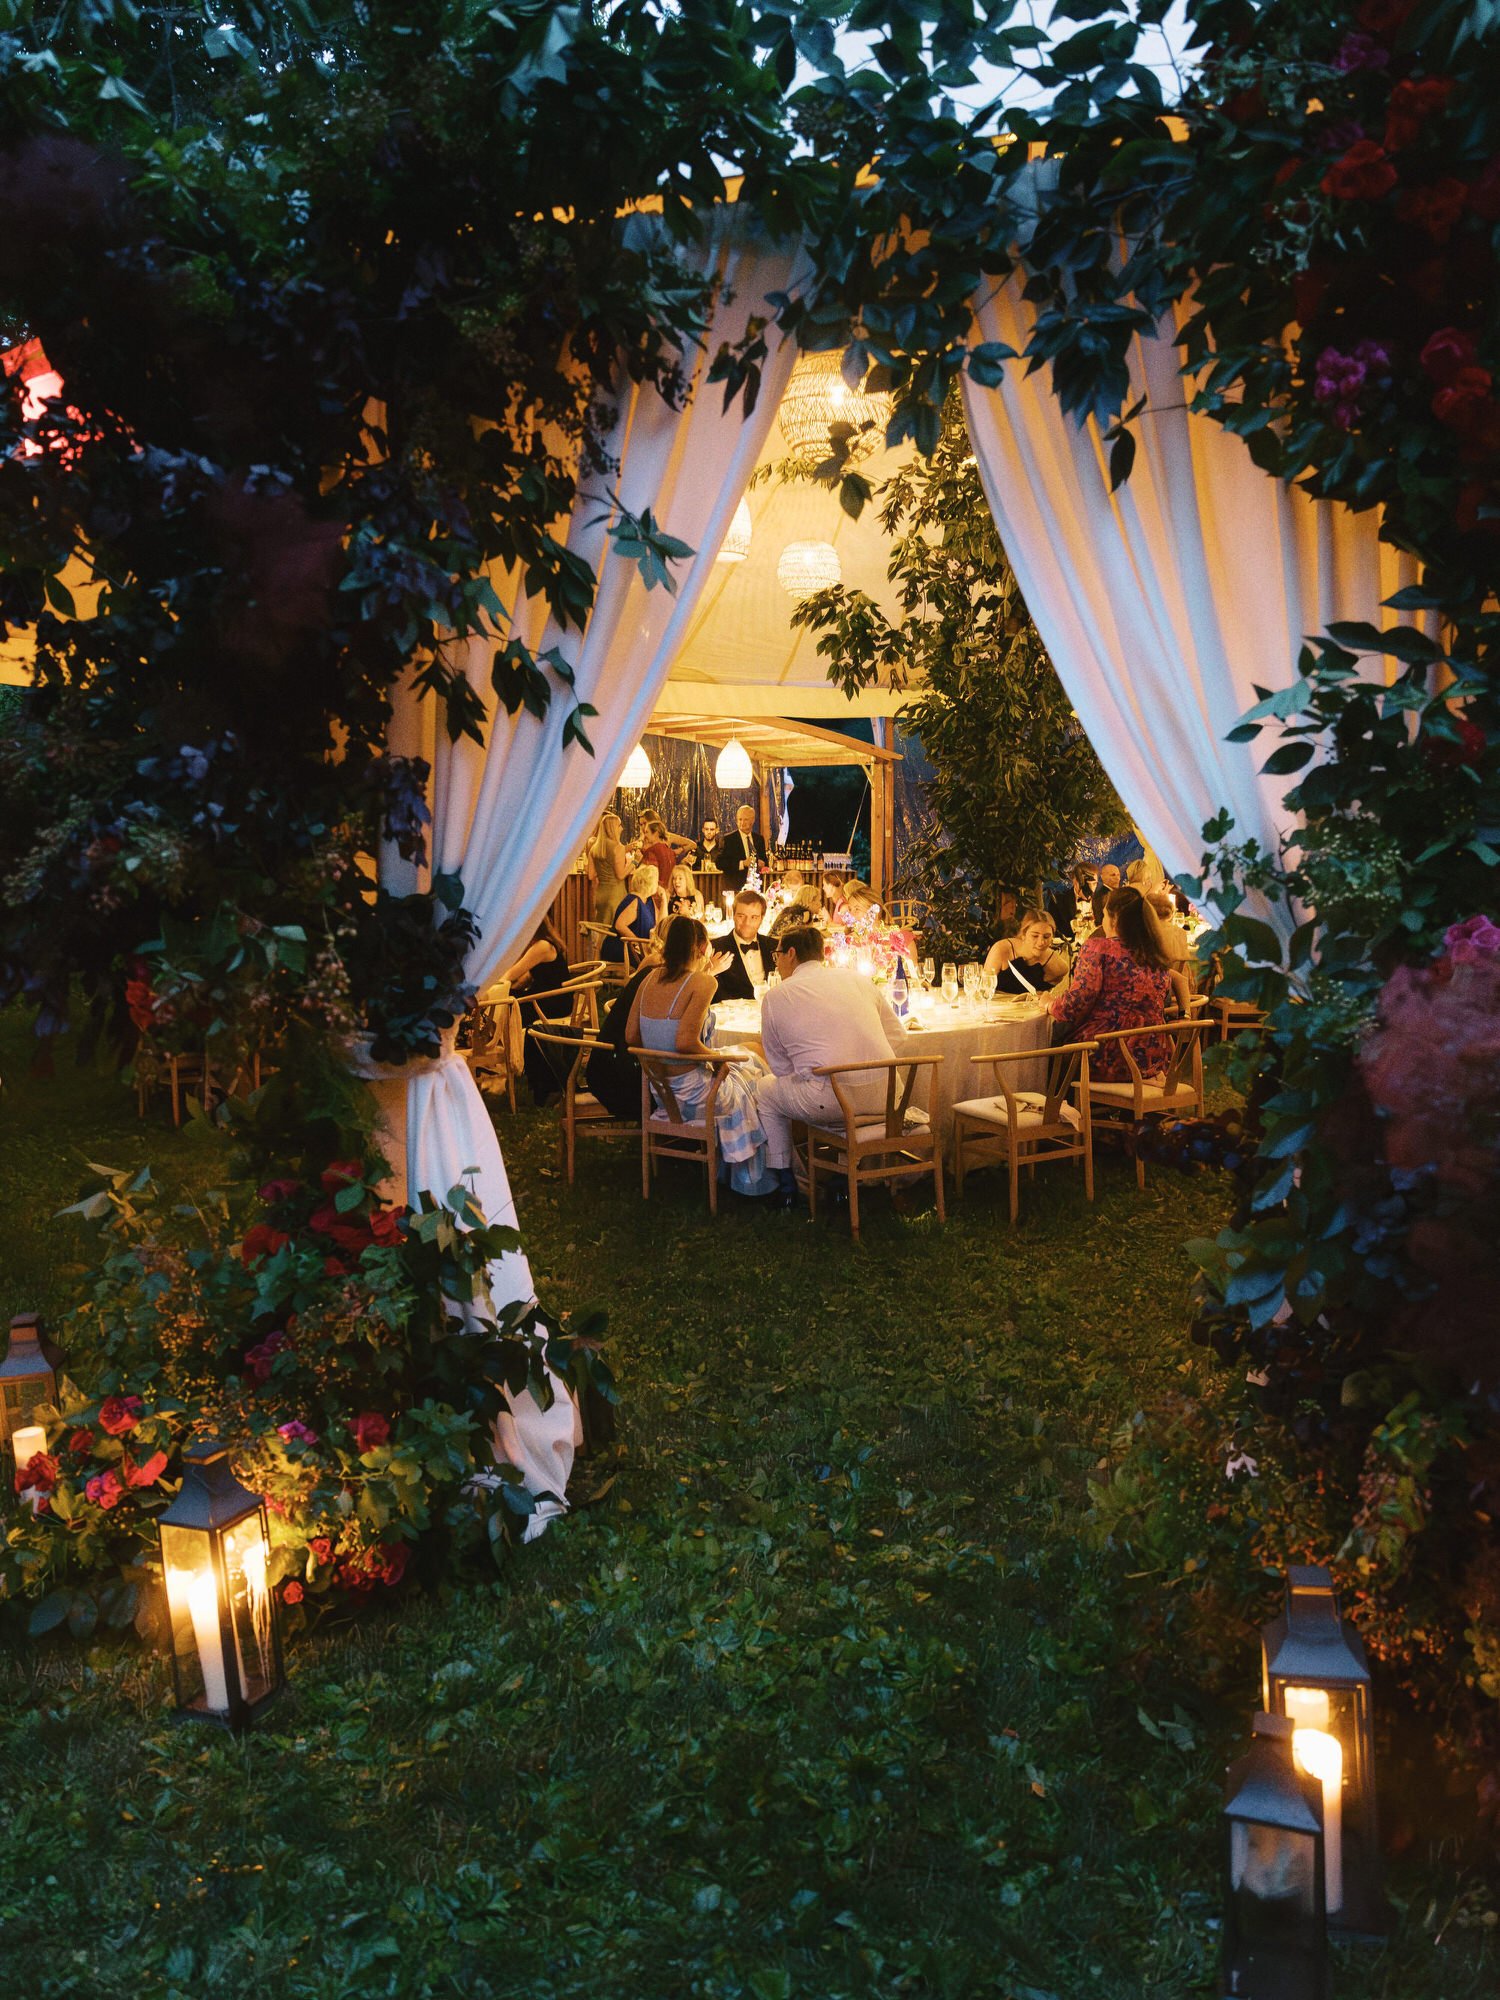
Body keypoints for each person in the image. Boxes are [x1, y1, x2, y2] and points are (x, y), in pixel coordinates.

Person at [757, 925, 910, 1202]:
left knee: (766, 1091)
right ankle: (840, 1175)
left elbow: (780, 1069)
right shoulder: (859, 980)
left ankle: (787, 1184)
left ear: (791, 953)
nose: (776, 962)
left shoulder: (777, 996)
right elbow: (898, 1036)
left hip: (830, 1102)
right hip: (888, 1096)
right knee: (816, 1085)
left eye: (777, 954)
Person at [625, 915, 775, 1196]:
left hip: (660, 1092)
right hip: (696, 1096)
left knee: (749, 1055)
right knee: (756, 1071)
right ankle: (753, 1174)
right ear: (703, 947)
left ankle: (733, 1164)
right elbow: (685, 1041)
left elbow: (631, 1037)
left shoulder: (647, 979)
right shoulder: (702, 983)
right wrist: (716, 1060)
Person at [1049, 885, 1189, 1080]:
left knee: (1051, 1043)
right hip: (1153, 1058)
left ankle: (1059, 1108)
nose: (1103, 921)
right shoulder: (1155, 954)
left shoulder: (1099, 948)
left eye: (1105, 916)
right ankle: (1107, 1110)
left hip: (1109, 1055)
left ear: (1114, 919)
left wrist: (1049, 1004)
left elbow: (1079, 1001)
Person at [984, 909, 1070, 995]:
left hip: (1030, 1008)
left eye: (1046, 937)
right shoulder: (1001, 950)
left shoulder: (1056, 965)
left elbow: (1045, 994)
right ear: (1023, 934)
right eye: (1035, 936)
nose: (1041, 942)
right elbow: (985, 989)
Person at [711, 889, 776, 1000]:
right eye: (741, 916)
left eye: (754, 917)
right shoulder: (715, 949)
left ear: (762, 918)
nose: (747, 923)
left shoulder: (775, 947)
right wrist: (710, 972)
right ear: (733, 915)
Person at [603, 863, 661, 964]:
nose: (658, 884)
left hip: (640, 947)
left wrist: (664, 900)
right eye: (656, 881)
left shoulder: (647, 900)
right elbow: (619, 926)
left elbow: (660, 922)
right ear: (648, 883)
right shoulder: (634, 901)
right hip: (623, 946)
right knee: (657, 960)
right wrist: (638, 942)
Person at [588, 811, 631, 930]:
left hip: (601, 895)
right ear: (613, 828)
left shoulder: (594, 849)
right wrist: (634, 862)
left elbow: (591, 875)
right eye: (619, 825)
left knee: (602, 930)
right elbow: (621, 875)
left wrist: (604, 868)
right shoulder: (618, 848)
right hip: (615, 894)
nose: (621, 828)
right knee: (615, 931)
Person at [719, 803, 768, 891]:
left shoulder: (759, 839)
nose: (742, 823)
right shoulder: (728, 839)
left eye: (745, 819)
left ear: (752, 820)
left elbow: (765, 861)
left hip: (755, 886)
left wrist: (763, 864)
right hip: (734, 887)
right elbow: (720, 863)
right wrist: (742, 863)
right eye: (740, 819)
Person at [1090, 863, 1122, 929]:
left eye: (1118, 875)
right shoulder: (1102, 897)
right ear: (1103, 877)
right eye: (1113, 875)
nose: (1117, 878)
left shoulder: (1114, 893)